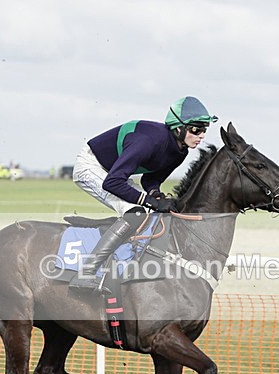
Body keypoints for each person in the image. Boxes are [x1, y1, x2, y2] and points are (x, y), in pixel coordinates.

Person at [68, 96, 217, 292]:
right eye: (196, 129)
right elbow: (112, 182)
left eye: (204, 130)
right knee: (135, 211)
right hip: (91, 166)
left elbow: (150, 179)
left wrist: (156, 195)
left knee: (152, 212)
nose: (201, 136)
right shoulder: (147, 141)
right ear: (178, 128)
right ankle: (85, 273)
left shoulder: (180, 151)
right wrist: (149, 201)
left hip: (114, 172)